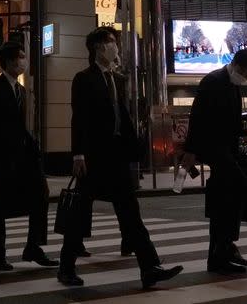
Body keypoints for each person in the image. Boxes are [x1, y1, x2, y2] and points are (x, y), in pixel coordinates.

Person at [57, 27, 182, 289]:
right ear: (98, 48)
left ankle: (150, 267)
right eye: (111, 42)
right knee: (80, 214)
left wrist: (134, 148)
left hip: (116, 158)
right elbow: (78, 118)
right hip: (93, 157)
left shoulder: (117, 79)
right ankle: (65, 268)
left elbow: (122, 117)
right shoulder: (83, 78)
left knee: (131, 214)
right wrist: (78, 153)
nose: (115, 47)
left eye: (115, 42)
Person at [0, 42, 58, 272]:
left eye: (24, 57)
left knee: (41, 195)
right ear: (8, 62)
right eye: (19, 57)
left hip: (27, 157)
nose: (23, 61)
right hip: (4, 158)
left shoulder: (22, 90)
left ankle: (33, 246)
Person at [183, 49, 247, 275]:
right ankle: (226, 247)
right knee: (240, 187)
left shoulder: (234, 85)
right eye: (245, 73)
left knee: (223, 200)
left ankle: (219, 255)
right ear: (236, 64)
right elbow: (196, 116)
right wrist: (190, 150)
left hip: (227, 150)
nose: (245, 78)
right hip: (213, 148)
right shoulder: (212, 81)